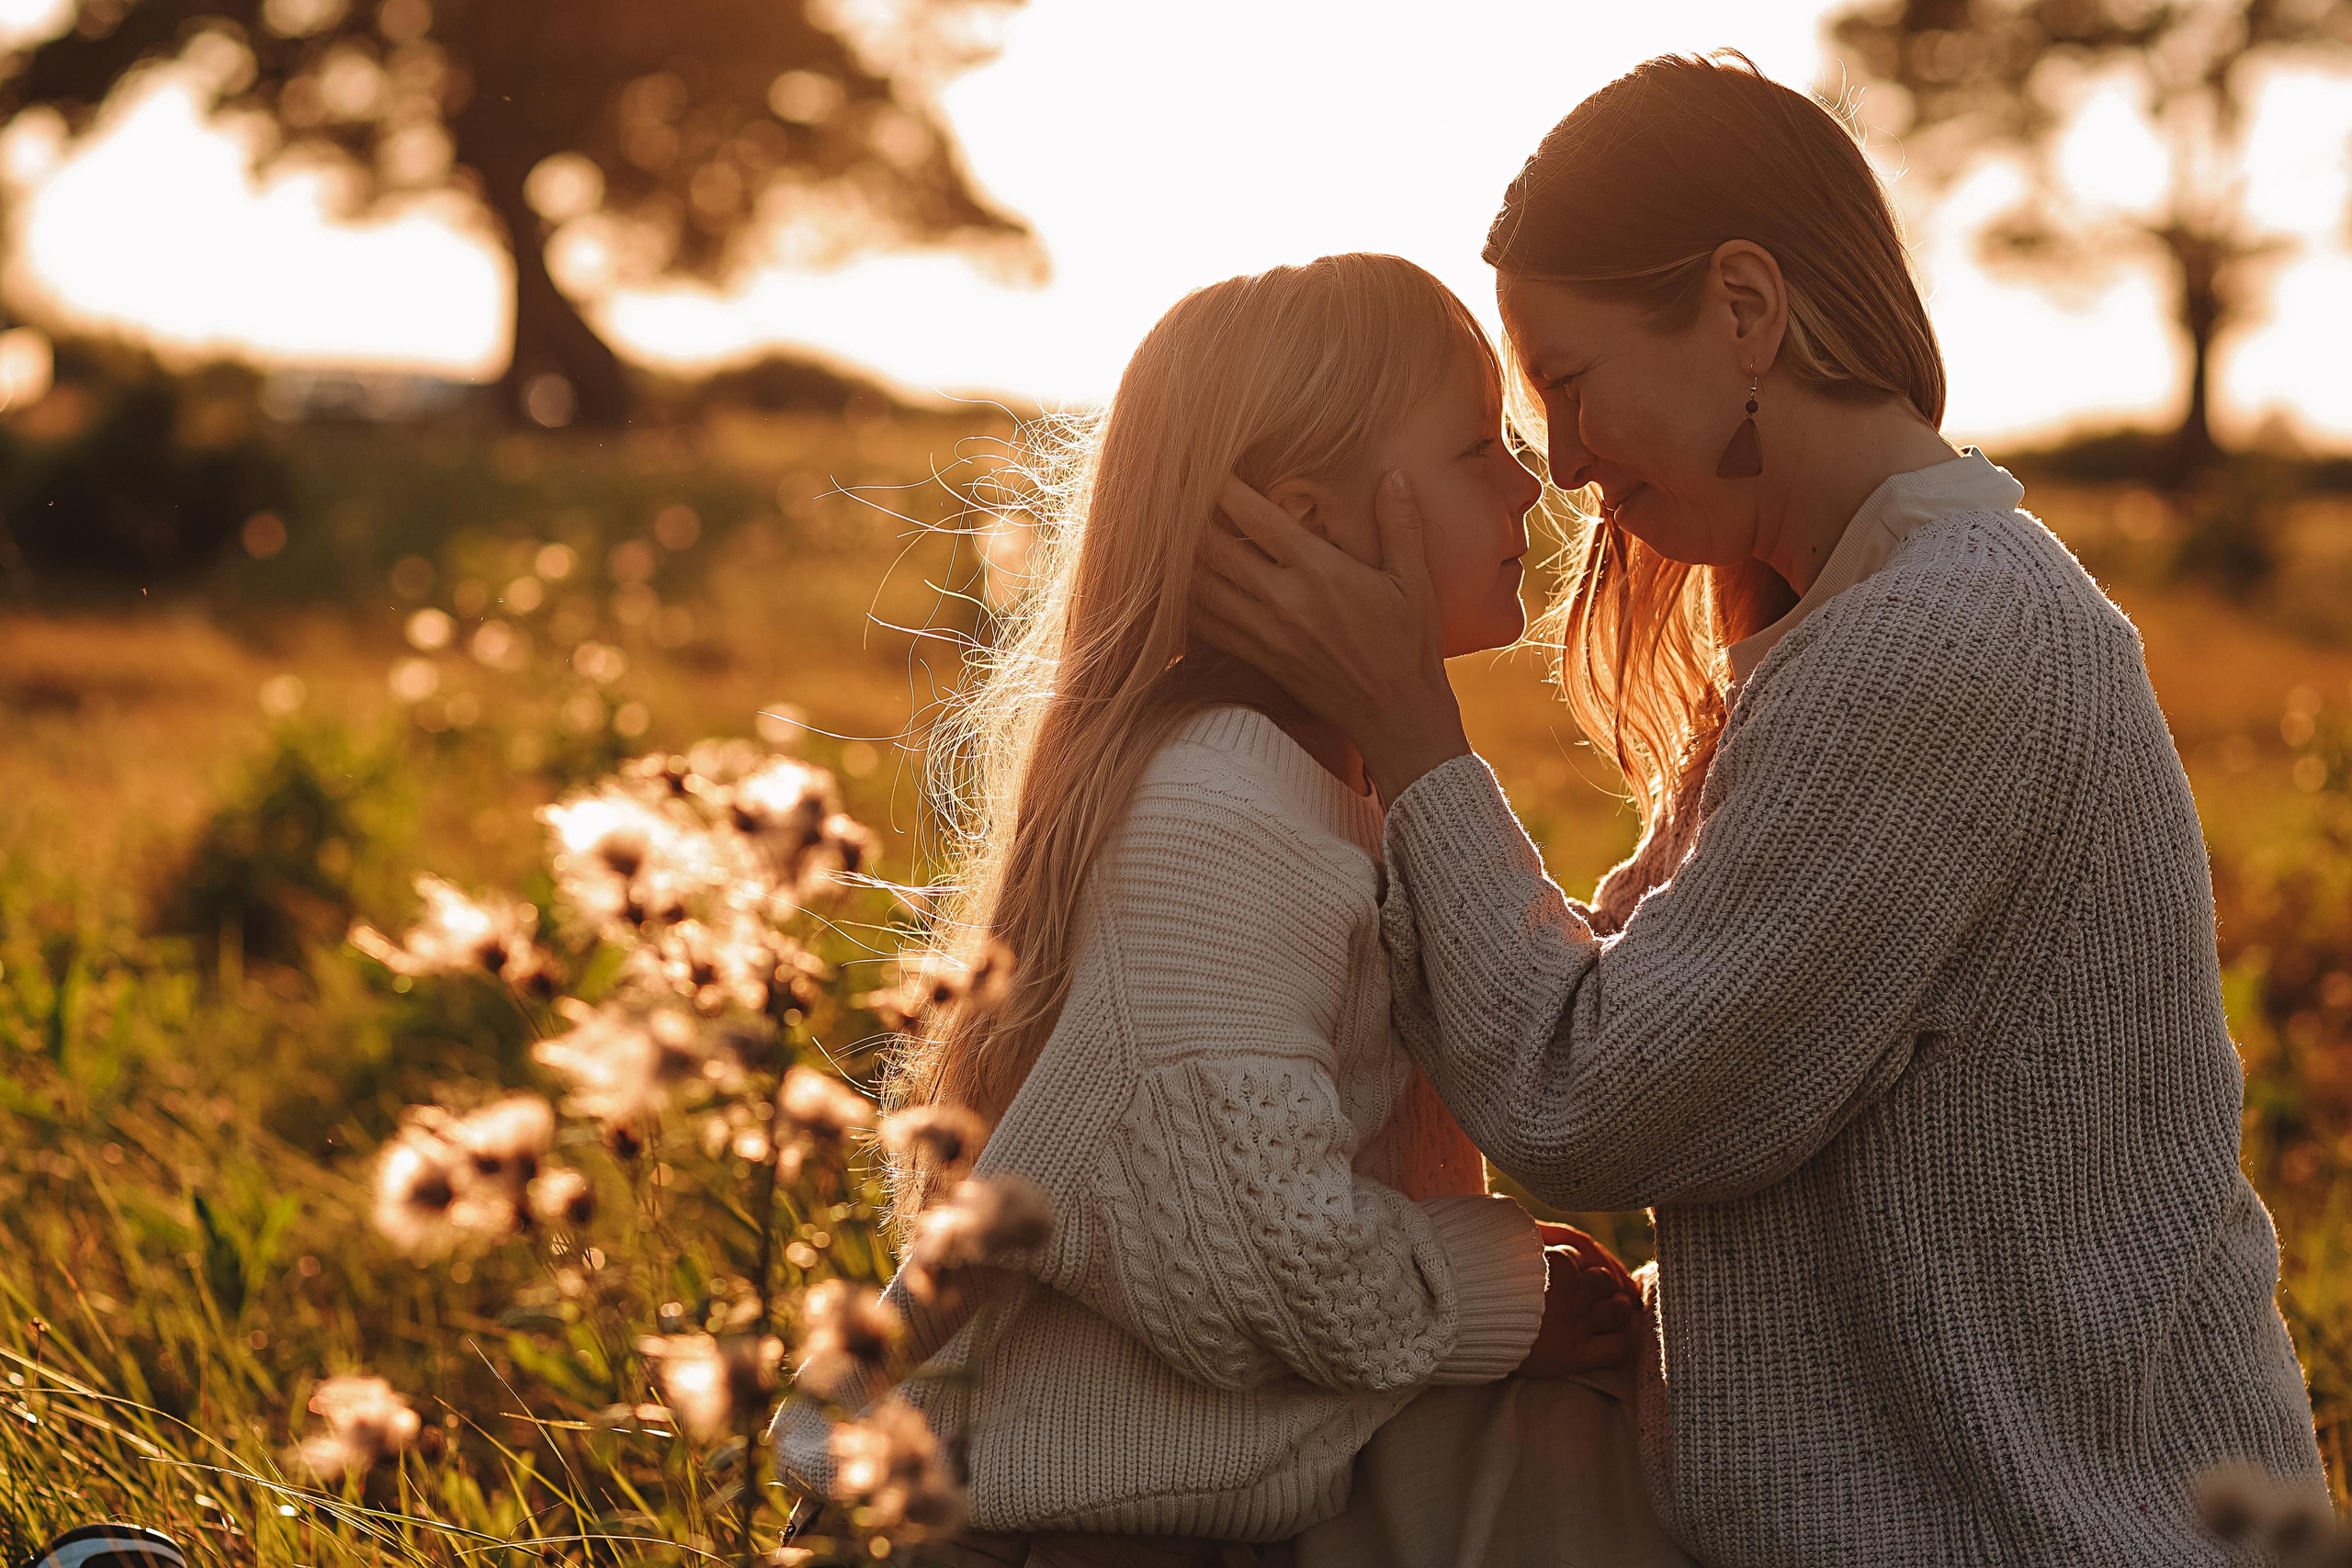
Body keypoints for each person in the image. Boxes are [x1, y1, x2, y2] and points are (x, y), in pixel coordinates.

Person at [1194, 52, 2328, 1568]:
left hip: (2042, 1532)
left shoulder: (1943, 645)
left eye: (1573, 383)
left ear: (1743, 309)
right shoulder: (1848, 625)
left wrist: (1411, 729)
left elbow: (1584, 1095)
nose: (1573, 466)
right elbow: (1611, 999)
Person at [773, 254, 1690, 1566]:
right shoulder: (1223, 816)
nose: (1528, 484)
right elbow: (1262, 1261)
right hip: (1021, 1532)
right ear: (1307, 523)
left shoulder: (1324, 785)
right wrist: (1505, 1292)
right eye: (1474, 446)